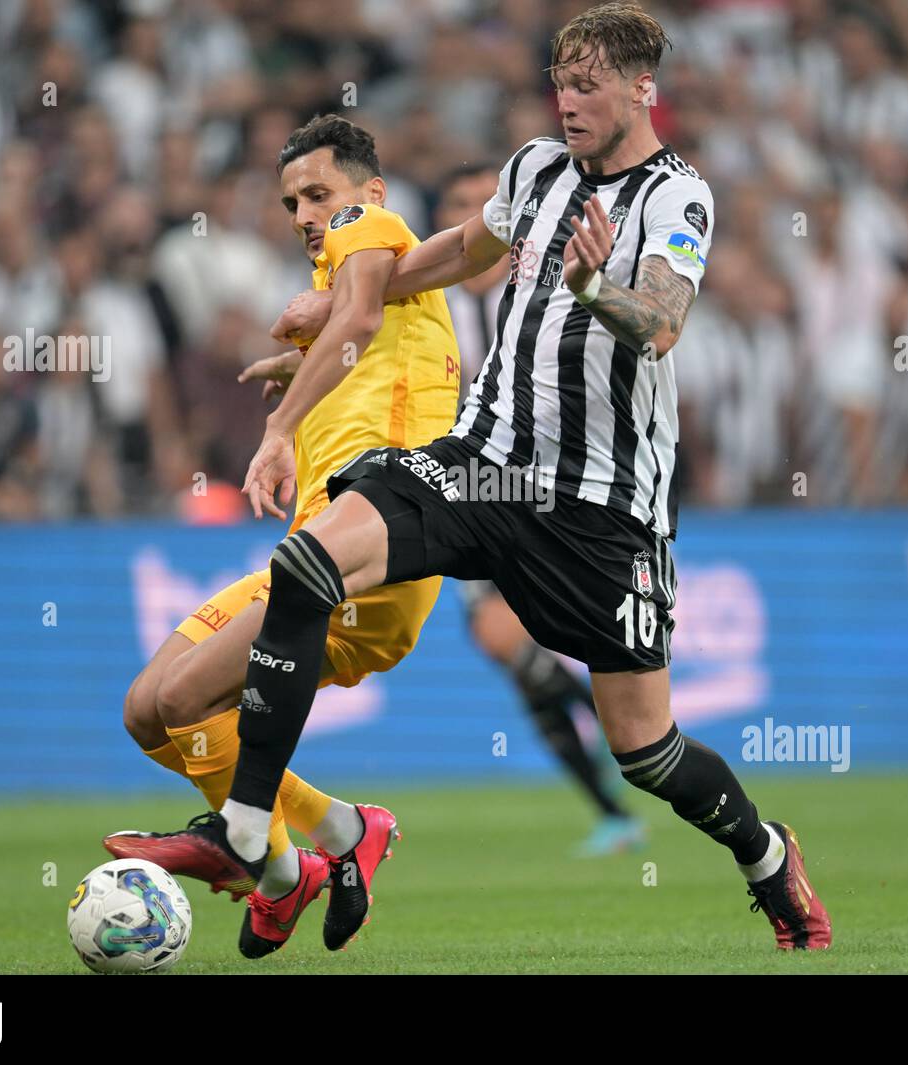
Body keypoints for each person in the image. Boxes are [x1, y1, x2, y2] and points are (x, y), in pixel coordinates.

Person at [123, 1, 832, 951]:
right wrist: (338, 302)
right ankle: (252, 829)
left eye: (587, 86)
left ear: (640, 90)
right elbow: (460, 252)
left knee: (646, 752)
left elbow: (661, 322)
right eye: (559, 83)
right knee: (307, 566)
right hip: (485, 465)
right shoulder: (536, 168)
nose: (568, 102)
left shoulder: (677, 197)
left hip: (597, 509)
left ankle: (765, 853)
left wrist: (592, 289)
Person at [105, 114, 462, 957]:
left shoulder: (369, 229)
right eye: (291, 200)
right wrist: (300, 360)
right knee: (148, 710)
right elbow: (361, 333)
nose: (305, 213)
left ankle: (277, 856)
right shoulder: (352, 286)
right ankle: (330, 839)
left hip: (372, 556)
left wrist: (277, 429)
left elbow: (362, 321)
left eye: (318, 193)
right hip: (317, 549)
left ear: (368, 192)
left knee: (188, 701)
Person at [438, 161, 646, 856]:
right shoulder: (433, 309)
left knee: (537, 653)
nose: (480, 216)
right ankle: (616, 792)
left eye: (484, 201)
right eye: (463, 206)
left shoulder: (547, 291)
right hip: (472, 492)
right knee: (510, 652)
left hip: (553, 490)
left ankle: (628, 757)